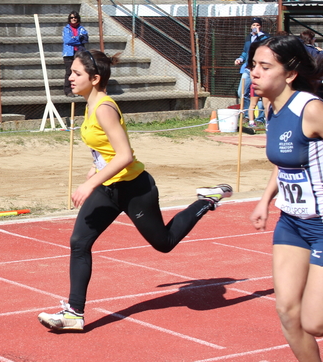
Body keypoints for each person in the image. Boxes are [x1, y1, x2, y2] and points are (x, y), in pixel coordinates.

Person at [37, 49, 233, 331]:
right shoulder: (90, 105)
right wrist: (95, 172)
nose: (70, 78)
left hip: (134, 188)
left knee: (164, 243)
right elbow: (107, 151)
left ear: (94, 78)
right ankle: (74, 313)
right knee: (79, 242)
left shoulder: (104, 107)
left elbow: (125, 155)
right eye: (71, 72)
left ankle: (207, 200)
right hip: (108, 188)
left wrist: (89, 183)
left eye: (76, 73)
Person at [248, 35, 323, 362]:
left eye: (264, 66)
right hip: (291, 223)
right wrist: (264, 200)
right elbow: (287, 164)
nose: (254, 73)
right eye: (253, 66)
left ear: (289, 74)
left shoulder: (311, 109)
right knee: (287, 312)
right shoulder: (272, 111)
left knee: (317, 323)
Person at [235, 17, 269, 114]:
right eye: (254, 25)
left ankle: (261, 117)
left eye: (257, 25)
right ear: (250, 26)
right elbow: (245, 52)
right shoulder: (248, 38)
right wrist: (240, 59)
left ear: (260, 26)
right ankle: (246, 114)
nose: (255, 27)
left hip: (260, 69)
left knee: (262, 92)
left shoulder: (264, 37)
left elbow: (267, 44)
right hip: (248, 68)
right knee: (241, 92)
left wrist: (259, 35)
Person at [62, 12, 88, 97]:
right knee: (69, 72)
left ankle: (79, 90)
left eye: (75, 17)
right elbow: (67, 41)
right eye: (72, 17)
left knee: (80, 72)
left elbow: (85, 39)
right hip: (69, 54)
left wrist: (73, 39)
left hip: (79, 53)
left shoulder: (82, 29)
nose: (74, 19)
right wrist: (78, 39)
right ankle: (68, 91)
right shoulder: (66, 29)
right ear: (69, 19)